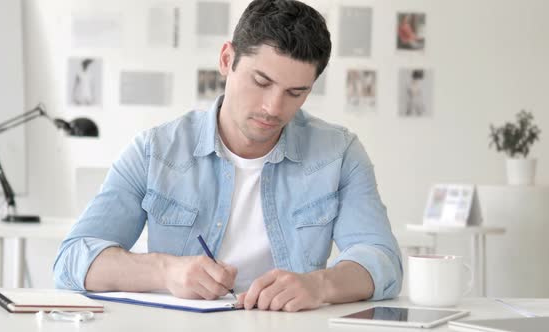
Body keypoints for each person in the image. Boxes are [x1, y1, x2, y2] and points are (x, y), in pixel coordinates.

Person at [54, 0, 402, 312]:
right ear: (226, 60)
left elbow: (382, 261)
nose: (273, 108)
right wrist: (166, 270)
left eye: (296, 93)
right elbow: (72, 260)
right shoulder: (154, 151)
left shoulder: (339, 154)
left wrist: (320, 284)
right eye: (261, 82)